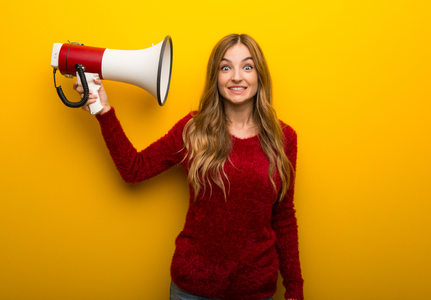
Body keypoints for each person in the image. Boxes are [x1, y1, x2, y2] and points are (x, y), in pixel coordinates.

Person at [74, 34, 304, 300]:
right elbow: (134, 169)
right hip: (192, 289)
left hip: (255, 290)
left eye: (248, 67)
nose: (237, 77)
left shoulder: (284, 138)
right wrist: (103, 111)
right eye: (226, 67)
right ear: (215, 77)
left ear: (260, 75)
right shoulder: (193, 130)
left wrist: (295, 288)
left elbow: (284, 216)